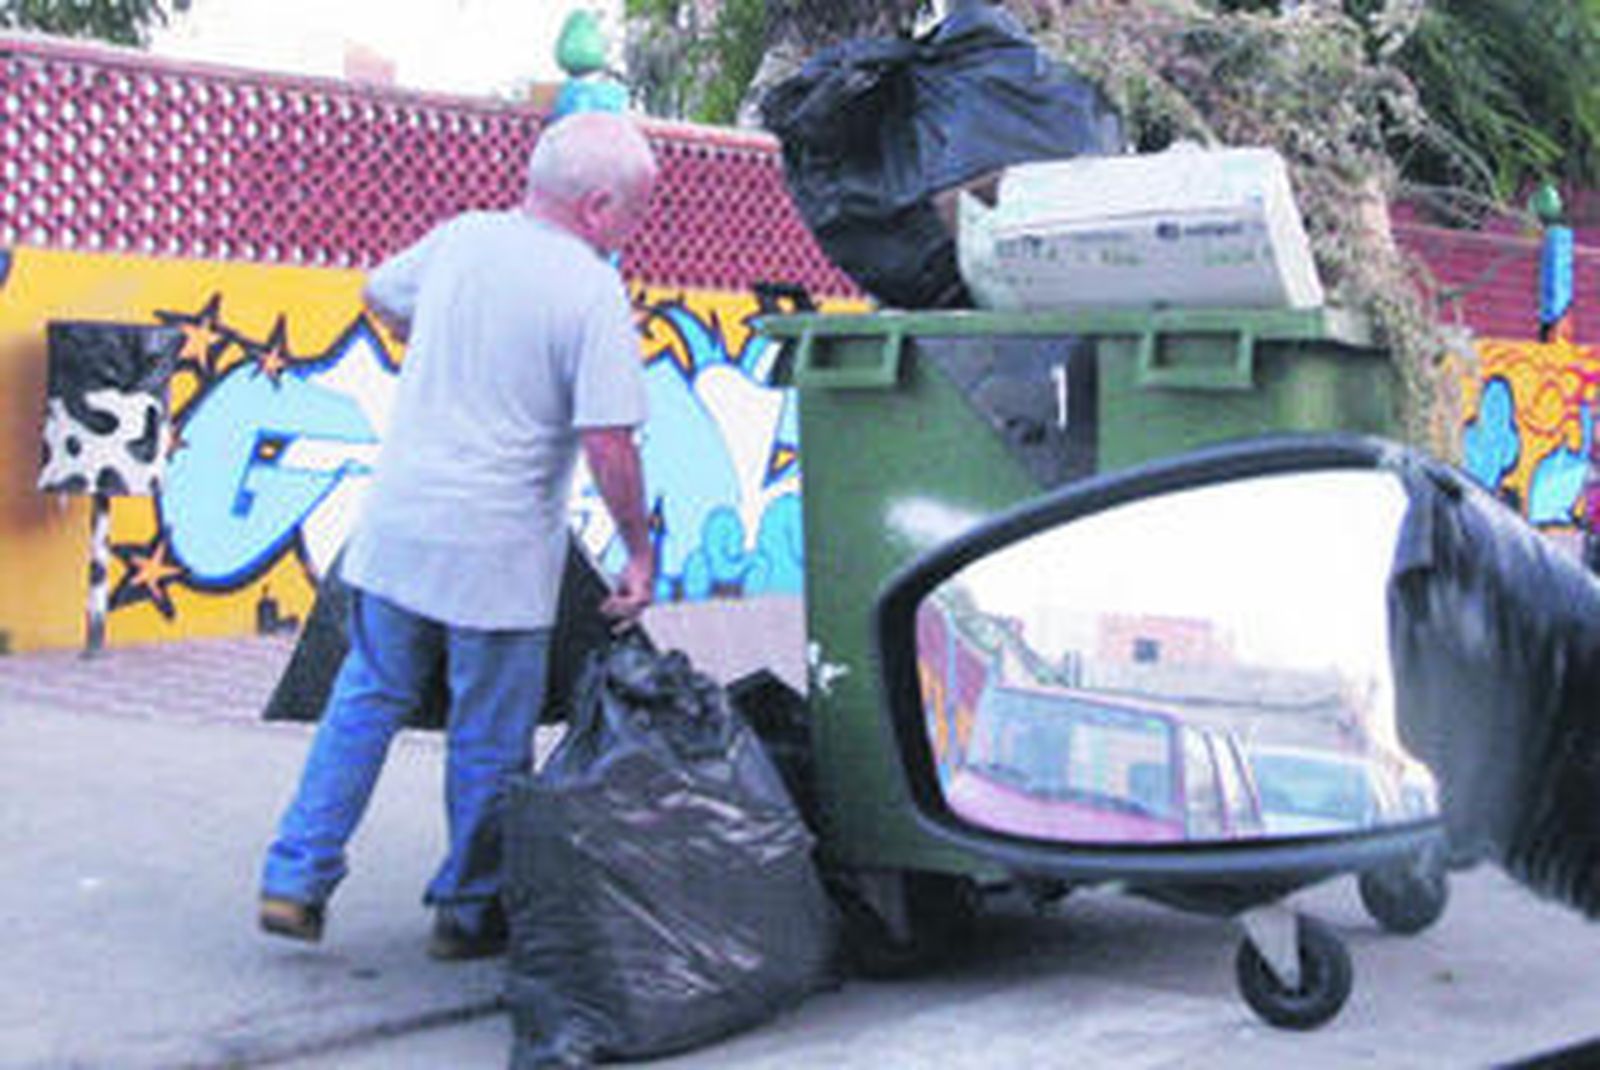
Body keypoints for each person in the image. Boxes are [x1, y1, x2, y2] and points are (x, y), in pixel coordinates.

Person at [258, 111, 659, 960]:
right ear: (598, 206)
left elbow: (379, 293)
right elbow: (609, 443)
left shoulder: (462, 239)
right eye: (636, 208)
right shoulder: (590, 291)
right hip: (498, 556)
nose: (637, 225)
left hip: (397, 533)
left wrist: (428, 336)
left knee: (364, 701)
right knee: (489, 737)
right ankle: (469, 912)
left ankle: (294, 878)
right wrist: (638, 549)